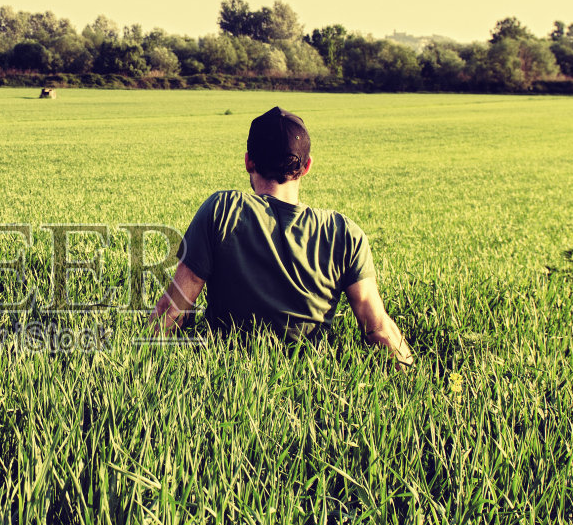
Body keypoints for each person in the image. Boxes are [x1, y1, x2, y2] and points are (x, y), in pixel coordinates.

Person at [150, 106, 415, 367]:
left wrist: (143, 367)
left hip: (226, 374)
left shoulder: (223, 209)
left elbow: (172, 310)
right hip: (310, 381)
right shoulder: (344, 232)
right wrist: (413, 378)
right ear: (307, 166)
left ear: (248, 161)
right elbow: (378, 327)